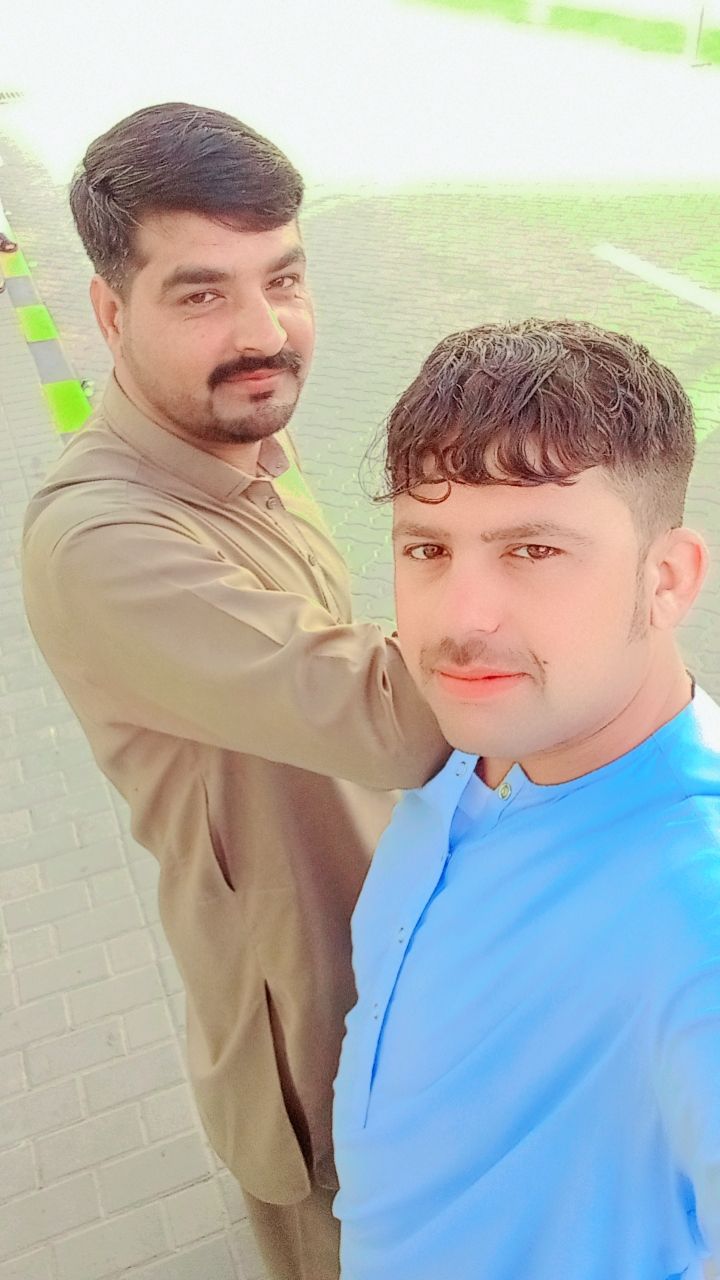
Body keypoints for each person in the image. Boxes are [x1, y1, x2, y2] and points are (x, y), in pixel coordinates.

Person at [21, 102, 447, 1280]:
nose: (265, 331)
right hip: (311, 1041)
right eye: (201, 292)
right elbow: (393, 717)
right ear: (112, 311)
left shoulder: (243, 436)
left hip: (399, 963)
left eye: (285, 278)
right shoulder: (103, 540)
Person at [333, 319, 720, 1280]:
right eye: (427, 548)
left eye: (534, 550)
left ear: (667, 579)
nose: (462, 618)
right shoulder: (483, 747)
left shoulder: (697, 901)